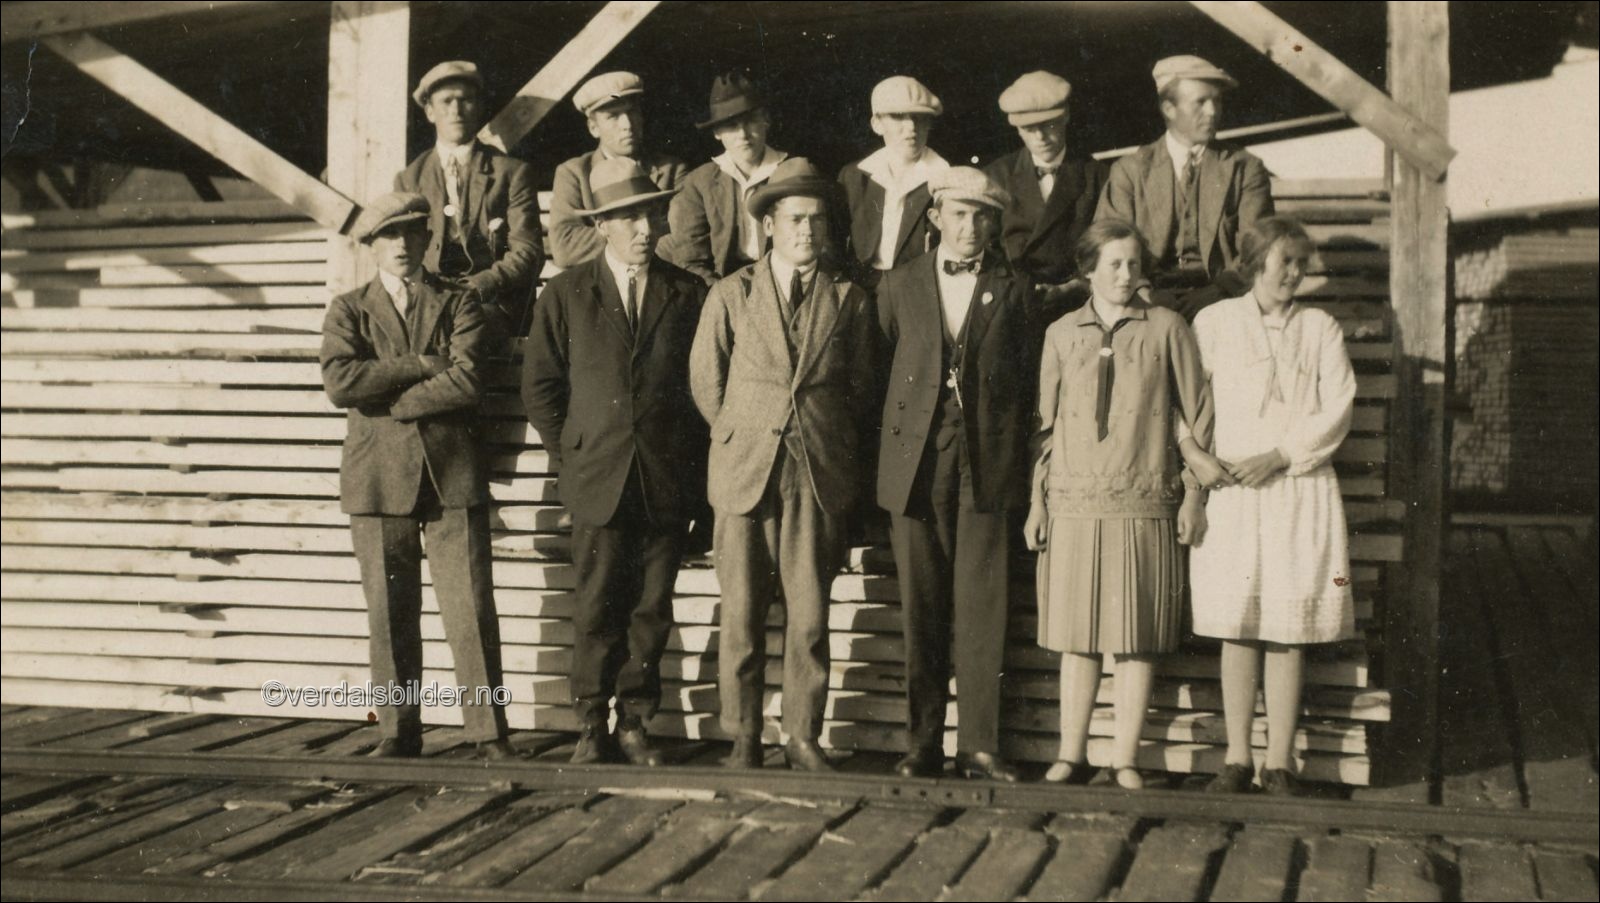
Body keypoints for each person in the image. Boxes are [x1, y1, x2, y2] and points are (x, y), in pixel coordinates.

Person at [690, 158, 876, 772]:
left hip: (815, 475)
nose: (807, 231)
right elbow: (707, 382)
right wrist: (744, 430)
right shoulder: (732, 293)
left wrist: (819, 435)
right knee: (741, 616)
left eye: (817, 220)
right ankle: (743, 735)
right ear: (768, 225)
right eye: (795, 219)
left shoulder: (848, 298)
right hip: (744, 472)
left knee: (811, 618)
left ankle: (802, 736)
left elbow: (860, 389)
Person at [521, 159, 709, 766]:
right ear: (601, 225)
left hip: (665, 478)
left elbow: (703, 392)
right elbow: (541, 388)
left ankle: (634, 723)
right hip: (596, 478)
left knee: (651, 609)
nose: (644, 229)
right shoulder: (566, 293)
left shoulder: (688, 293)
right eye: (629, 219)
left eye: (651, 215)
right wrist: (572, 454)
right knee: (597, 607)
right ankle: (590, 724)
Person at [320, 191, 513, 760]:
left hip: (451, 473)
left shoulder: (459, 300)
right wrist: (422, 365)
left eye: (411, 233)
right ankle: (397, 732)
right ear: (371, 245)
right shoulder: (348, 309)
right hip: (378, 479)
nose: (401, 244)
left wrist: (397, 401)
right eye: (389, 235)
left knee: (471, 608)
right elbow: (341, 384)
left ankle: (488, 733)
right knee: (388, 611)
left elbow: (469, 379)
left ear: (428, 239)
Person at [1024, 218, 1213, 789]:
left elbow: (1197, 415)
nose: (1126, 275)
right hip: (1073, 503)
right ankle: (1071, 754)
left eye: (1134, 264)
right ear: (1088, 270)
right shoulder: (1061, 333)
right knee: (1076, 638)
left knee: (1137, 638)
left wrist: (1194, 496)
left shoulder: (1167, 328)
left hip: (1144, 499)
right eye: (1114, 264)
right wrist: (1038, 503)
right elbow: (1044, 430)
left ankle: (1125, 758)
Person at [1181, 216, 1357, 796]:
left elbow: (1338, 407)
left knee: (1287, 628)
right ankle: (1236, 757)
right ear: (1256, 261)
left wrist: (1282, 455)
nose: (1295, 272)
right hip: (1234, 492)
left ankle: (1279, 761)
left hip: (1297, 491)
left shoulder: (1320, 328)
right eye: (1285, 261)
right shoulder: (1214, 322)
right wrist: (1196, 457)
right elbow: (1186, 399)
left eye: (1302, 263)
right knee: (1237, 624)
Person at [877, 168, 1032, 782]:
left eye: (982, 216)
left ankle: (979, 746)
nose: (970, 227)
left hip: (985, 465)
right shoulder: (898, 284)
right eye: (959, 214)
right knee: (922, 607)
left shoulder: (1014, 288)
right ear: (937, 216)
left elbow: (1025, 382)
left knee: (983, 606)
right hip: (915, 467)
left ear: (994, 225)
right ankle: (922, 744)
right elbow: (876, 375)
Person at [1094, 55, 1274, 321]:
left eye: (1217, 101)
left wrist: (1217, 293)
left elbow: (1258, 248)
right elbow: (1108, 244)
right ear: (1169, 108)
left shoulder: (1244, 168)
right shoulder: (1130, 171)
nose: (1212, 111)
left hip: (1223, 300)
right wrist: (1143, 291)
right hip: (1145, 300)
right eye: (1201, 102)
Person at [394, 61, 543, 340]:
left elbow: (528, 252)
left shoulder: (510, 172)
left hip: (494, 301)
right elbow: (404, 252)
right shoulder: (410, 179)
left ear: (479, 107)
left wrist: (480, 285)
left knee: (460, 327)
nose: (456, 110)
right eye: (446, 101)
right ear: (429, 111)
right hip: (432, 300)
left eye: (466, 100)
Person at [983, 71, 1106, 326]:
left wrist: (1079, 285)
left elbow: (1106, 246)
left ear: (1066, 116)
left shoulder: (1098, 175)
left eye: (1049, 125)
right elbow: (987, 247)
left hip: (1080, 303)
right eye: (1029, 128)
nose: (1040, 137)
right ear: (1017, 129)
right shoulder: (995, 176)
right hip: (1012, 307)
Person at [550, 71, 688, 268]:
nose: (627, 124)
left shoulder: (671, 169)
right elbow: (565, 248)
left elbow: (686, 235)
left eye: (632, 112)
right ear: (593, 128)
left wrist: (618, 233)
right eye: (613, 116)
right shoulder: (574, 174)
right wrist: (640, 235)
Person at [667, 72, 789, 286]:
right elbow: (690, 259)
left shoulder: (791, 172)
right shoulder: (700, 182)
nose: (743, 134)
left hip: (783, 281)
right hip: (721, 284)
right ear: (717, 132)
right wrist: (724, 295)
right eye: (731, 125)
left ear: (766, 121)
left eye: (751, 121)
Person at [838, 76, 951, 288]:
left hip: (917, 289)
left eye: (919, 117)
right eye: (898, 116)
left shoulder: (945, 178)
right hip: (859, 288)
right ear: (877, 124)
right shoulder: (854, 176)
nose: (911, 126)